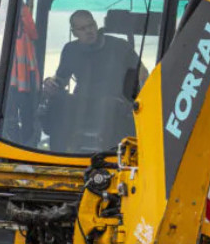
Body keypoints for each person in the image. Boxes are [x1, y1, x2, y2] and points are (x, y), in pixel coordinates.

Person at [42, 10, 146, 150]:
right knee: (60, 103)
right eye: (82, 29)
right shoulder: (70, 50)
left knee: (107, 106)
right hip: (82, 103)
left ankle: (109, 153)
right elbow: (61, 78)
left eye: (91, 26)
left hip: (115, 104)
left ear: (96, 25)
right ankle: (58, 155)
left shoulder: (120, 46)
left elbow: (143, 74)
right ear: (74, 33)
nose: (89, 31)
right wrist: (50, 83)